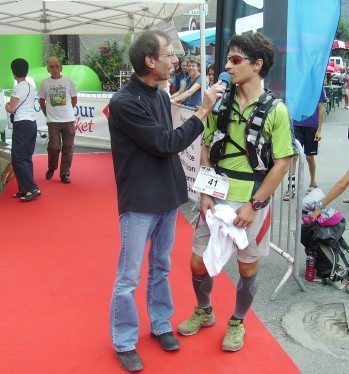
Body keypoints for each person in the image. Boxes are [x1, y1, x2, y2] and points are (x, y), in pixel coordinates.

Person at [108, 30, 223, 372]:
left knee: (162, 266)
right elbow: (165, 143)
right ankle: (124, 340)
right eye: (169, 54)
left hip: (167, 196)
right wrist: (203, 112)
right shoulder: (124, 102)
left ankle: (160, 324)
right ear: (150, 60)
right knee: (128, 277)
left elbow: (166, 142)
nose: (174, 60)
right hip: (140, 201)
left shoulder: (159, 95)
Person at [177, 32, 297, 352]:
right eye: (228, 59)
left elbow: (282, 163)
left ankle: (238, 320)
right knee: (197, 262)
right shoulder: (220, 102)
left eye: (235, 59)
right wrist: (204, 194)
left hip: (251, 196)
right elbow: (206, 146)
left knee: (246, 265)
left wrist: (254, 205)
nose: (228, 66)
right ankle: (204, 310)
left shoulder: (276, 110)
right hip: (215, 192)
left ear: (257, 65)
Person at [5, 58, 40, 202]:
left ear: (13, 72)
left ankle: (32, 188)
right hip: (31, 123)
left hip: (22, 124)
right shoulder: (31, 87)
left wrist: (8, 104)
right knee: (26, 157)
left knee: (18, 158)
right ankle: (24, 189)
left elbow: (11, 108)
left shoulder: (17, 87)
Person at [38, 57, 77, 184]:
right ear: (48, 69)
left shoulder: (68, 82)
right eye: (51, 66)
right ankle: (52, 167)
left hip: (68, 121)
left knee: (68, 148)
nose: (54, 69)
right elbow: (41, 101)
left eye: (56, 66)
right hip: (53, 122)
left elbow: (74, 99)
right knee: (53, 147)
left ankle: (65, 173)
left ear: (61, 68)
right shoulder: (44, 83)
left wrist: (67, 111)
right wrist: (47, 114)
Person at [283, 88, 327, 201]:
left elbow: (321, 107)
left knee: (309, 157)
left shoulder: (317, 84)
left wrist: (319, 129)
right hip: (296, 124)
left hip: (311, 125)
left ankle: (313, 183)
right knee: (294, 155)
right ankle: (291, 187)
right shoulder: (298, 81)